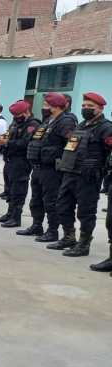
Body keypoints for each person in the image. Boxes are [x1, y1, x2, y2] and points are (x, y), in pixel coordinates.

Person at [49, 92, 112, 257]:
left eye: (90, 107)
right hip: (70, 173)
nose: (85, 109)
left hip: (88, 176)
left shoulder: (105, 127)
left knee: (85, 211)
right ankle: (69, 237)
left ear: (100, 108)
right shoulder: (81, 125)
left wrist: (102, 167)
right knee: (62, 206)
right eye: (84, 106)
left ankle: (84, 244)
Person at [20, 93, 78, 244]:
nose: (44, 108)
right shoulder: (48, 121)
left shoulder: (66, 121)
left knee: (50, 201)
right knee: (36, 199)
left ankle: (52, 231)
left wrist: (62, 164)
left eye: (46, 105)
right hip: (39, 167)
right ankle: (37, 225)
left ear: (55, 106)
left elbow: (71, 144)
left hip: (52, 169)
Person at [0, 100, 39, 228]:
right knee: (10, 188)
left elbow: (25, 143)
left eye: (18, 115)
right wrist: (2, 139)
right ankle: (9, 213)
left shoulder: (32, 125)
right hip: (10, 159)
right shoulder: (16, 122)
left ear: (26, 112)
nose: (15, 118)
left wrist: (7, 143)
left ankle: (16, 217)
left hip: (21, 161)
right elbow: (9, 135)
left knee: (18, 190)